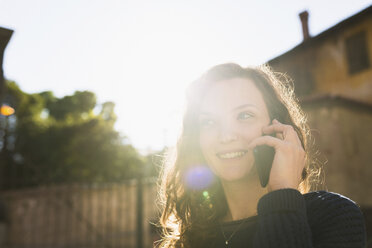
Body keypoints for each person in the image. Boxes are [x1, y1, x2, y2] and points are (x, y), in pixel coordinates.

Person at [156, 63, 366, 248]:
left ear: (278, 127)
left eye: (245, 115)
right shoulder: (191, 236)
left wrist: (282, 194)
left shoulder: (333, 216)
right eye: (209, 122)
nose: (226, 136)